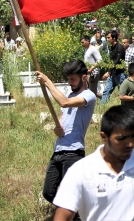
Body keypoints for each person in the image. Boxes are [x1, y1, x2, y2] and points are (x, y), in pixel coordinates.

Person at [52, 105, 134, 221]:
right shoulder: (81, 171)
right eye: (121, 138)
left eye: (133, 136)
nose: (130, 144)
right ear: (104, 137)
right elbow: (63, 216)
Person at [36, 61, 97, 207]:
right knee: (48, 192)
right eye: (68, 79)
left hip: (73, 152)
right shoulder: (70, 94)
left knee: (70, 192)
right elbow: (62, 117)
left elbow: (64, 103)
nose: (70, 82)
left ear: (83, 77)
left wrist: (48, 82)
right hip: (58, 150)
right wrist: (57, 127)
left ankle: (77, 213)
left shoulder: (89, 96)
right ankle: (74, 212)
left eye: (73, 79)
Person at [101, 30, 126, 104]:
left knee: (122, 94)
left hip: (120, 74)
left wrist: (108, 72)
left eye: (109, 37)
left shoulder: (120, 47)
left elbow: (116, 61)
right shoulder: (112, 47)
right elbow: (111, 62)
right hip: (113, 75)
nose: (107, 39)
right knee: (106, 91)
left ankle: (124, 109)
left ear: (114, 38)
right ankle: (102, 107)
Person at [81, 35, 103, 99]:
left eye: (83, 42)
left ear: (88, 41)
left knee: (92, 92)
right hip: (88, 73)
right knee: (87, 91)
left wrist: (91, 68)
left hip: (94, 73)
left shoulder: (93, 49)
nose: (81, 44)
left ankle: (104, 97)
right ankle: (104, 97)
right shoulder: (86, 50)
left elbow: (100, 60)